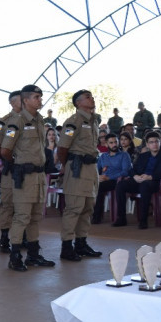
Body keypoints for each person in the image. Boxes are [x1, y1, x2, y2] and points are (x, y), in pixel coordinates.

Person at [1, 85, 54, 271]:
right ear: (25, 101)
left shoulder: (39, 120)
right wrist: (18, 164)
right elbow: (5, 150)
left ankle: (33, 254)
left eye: (40, 96)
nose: (40, 100)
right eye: (36, 97)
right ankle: (15, 256)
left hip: (39, 175)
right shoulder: (17, 121)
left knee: (35, 217)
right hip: (24, 175)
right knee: (22, 216)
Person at [55, 90, 102, 262]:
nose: (92, 98)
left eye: (92, 96)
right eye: (88, 97)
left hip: (91, 168)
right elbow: (62, 148)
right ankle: (66, 246)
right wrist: (67, 166)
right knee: (74, 208)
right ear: (78, 103)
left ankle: (81, 243)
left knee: (88, 207)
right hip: (77, 168)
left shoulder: (94, 120)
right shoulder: (73, 122)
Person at [112, 131, 161, 229]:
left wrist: (151, 177)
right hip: (139, 180)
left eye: (156, 141)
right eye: (151, 142)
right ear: (147, 144)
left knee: (145, 186)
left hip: (154, 183)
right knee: (121, 185)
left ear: (160, 142)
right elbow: (131, 170)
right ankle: (121, 218)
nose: (154, 144)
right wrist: (135, 176)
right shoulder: (143, 156)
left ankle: (143, 220)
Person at [0, 90, 22, 253]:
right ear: (12, 103)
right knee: (8, 204)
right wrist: (7, 160)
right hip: (11, 168)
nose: (23, 102)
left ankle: (23, 237)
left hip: (27, 170)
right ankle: (4, 238)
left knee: (24, 205)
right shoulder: (4, 122)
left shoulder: (32, 120)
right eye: (19, 100)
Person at [93, 133, 132, 224]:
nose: (114, 145)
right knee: (93, 185)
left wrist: (109, 177)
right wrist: (98, 177)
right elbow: (96, 170)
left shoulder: (124, 155)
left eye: (115, 142)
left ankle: (97, 216)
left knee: (99, 187)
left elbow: (125, 171)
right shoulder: (103, 156)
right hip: (104, 181)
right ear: (106, 144)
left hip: (118, 180)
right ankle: (94, 216)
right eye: (111, 143)